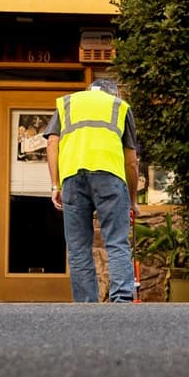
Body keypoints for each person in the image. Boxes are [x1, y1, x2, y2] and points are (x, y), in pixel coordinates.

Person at [45, 78, 140, 303]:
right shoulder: (119, 106)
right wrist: (133, 200)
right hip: (110, 176)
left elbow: (51, 144)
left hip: (72, 178)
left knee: (78, 247)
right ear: (114, 92)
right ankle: (121, 300)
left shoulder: (67, 104)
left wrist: (55, 185)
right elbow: (131, 161)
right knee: (116, 241)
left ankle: (86, 305)